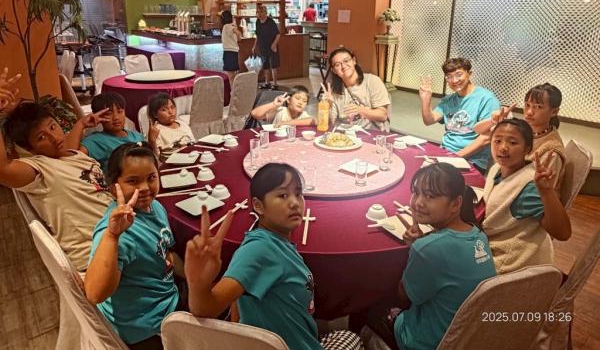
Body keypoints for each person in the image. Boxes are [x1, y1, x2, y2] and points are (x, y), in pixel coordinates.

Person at [185, 163, 363, 350]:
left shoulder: (273, 242)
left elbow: (238, 305)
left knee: (346, 335)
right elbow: (205, 309)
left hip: (298, 340)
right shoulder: (259, 250)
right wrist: (198, 283)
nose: (295, 202)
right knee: (351, 336)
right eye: (283, 195)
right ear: (258, 206)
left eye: (298, 193)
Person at [365, 163, 497, 350]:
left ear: (456, 203)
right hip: (467, 336)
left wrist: (417, 248)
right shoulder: (479, 236)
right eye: (416, 192)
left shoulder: (428, 249)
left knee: (368, 304)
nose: (418, 202)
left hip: (428, 342)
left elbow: (403, 296)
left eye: (430, 196)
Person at [0, 68, 112, 271]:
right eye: (41, 137)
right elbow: (3, 169)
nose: (54, 137)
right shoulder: (39, 171)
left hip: (122, 235)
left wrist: (81, 124)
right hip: (97, 255)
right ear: (30, 149)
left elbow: (67, 145)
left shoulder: (72, 154)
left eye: (52, 127)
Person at [85, 142, 182, 349]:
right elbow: (94, 293)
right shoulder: (118, 232)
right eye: (133, 181)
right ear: (113, 186)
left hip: (165, 297)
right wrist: (112, 236)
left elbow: (166, 253)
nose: (145, 188)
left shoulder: (155, 206)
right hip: (145, 324)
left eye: (151, 178)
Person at [483, 118, 571, 274]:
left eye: (512, 142)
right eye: (497, 141)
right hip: (493, 243)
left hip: (510, 262)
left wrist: (547, 192)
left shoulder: (527, 187)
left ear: (527, 149)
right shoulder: (497, 168)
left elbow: (563, 233)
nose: (503, 147)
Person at [473, 83, 565, 191]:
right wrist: (494, 121)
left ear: (554, 112)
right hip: (503, 185)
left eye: (538, 107)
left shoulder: (552, 151)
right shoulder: (525, 129)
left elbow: (538, 191)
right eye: (527, 105)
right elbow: (478, 130)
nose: (529, 112)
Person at [419, 57, 500, 173]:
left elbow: (486, 138)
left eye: (459, 75)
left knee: (440, 180)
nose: (454, 80)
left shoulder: (487, 99)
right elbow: (429, 120)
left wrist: (454, 157)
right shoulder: (448, 100)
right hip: (445, 153)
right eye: (449, 76)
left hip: (473, 160)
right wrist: (425, 100)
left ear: (469, 74)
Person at [321, 47, 390, 131]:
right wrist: (328, 105)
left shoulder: (372, 81)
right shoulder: (334, 91)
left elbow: (382, 115)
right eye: (337, 65)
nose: (343, 66)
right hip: (347, 135)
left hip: (373, 134)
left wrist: (360, 110)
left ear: (354, 61)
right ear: (334, 71)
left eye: (346, 61)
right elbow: (331, 124)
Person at [81, 92, 145, 173]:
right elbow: (70, 156)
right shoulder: (95, 141)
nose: (116, 117)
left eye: (120, 111)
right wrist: (81, 124)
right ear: (98, 116)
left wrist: (152, 141)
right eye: (109, 113)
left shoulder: (137, 136)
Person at [252, 4, 281, 90]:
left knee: (273, 66)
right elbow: (258, 35)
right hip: (263, 47)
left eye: (261, 12)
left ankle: (275, 84)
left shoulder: (271, 22)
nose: (259, 14)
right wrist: (254, 46)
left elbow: (278, 35)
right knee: (265, 66)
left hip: (272, 47)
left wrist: (274, 45)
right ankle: (267, 83)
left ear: (265, 13)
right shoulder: (257, 22)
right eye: (257, 12)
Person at [221, 10, 242, 86]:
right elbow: (239, 38)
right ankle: (234, 90)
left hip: (229, 52)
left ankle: (233, 91)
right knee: (233, 74)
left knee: (231, 76)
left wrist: (238, 33)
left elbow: (238, 33)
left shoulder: (227, 26)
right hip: (233, 52)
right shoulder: (231, 26)